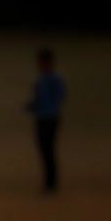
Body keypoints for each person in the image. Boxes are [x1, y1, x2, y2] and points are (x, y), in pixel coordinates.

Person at [25, 46, 66, 192]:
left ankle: (51, 182)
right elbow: (38, 99)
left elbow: (57, 98)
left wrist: (42, 105)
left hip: (50, 118)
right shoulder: (41, 80)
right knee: (44, 150)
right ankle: (49, 181)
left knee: (48, 150)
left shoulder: (54, 79)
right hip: (42, 118)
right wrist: (32, 106)